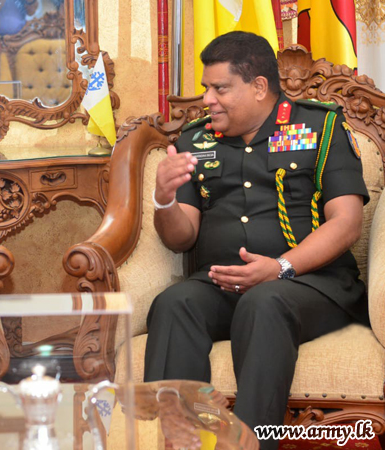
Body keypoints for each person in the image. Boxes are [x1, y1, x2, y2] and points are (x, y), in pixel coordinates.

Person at [144, 31, 368, 450]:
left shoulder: (320, 126)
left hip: (309, 285)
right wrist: (164, 199)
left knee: (265, 301)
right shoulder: (196, 140)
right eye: (205, 88)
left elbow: (347, 223)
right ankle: (177, 443)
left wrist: (280, 267)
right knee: (173, 303)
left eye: (220, 88)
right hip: (222, 284)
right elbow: (182, 237)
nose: (207, 99)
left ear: (259, 86)